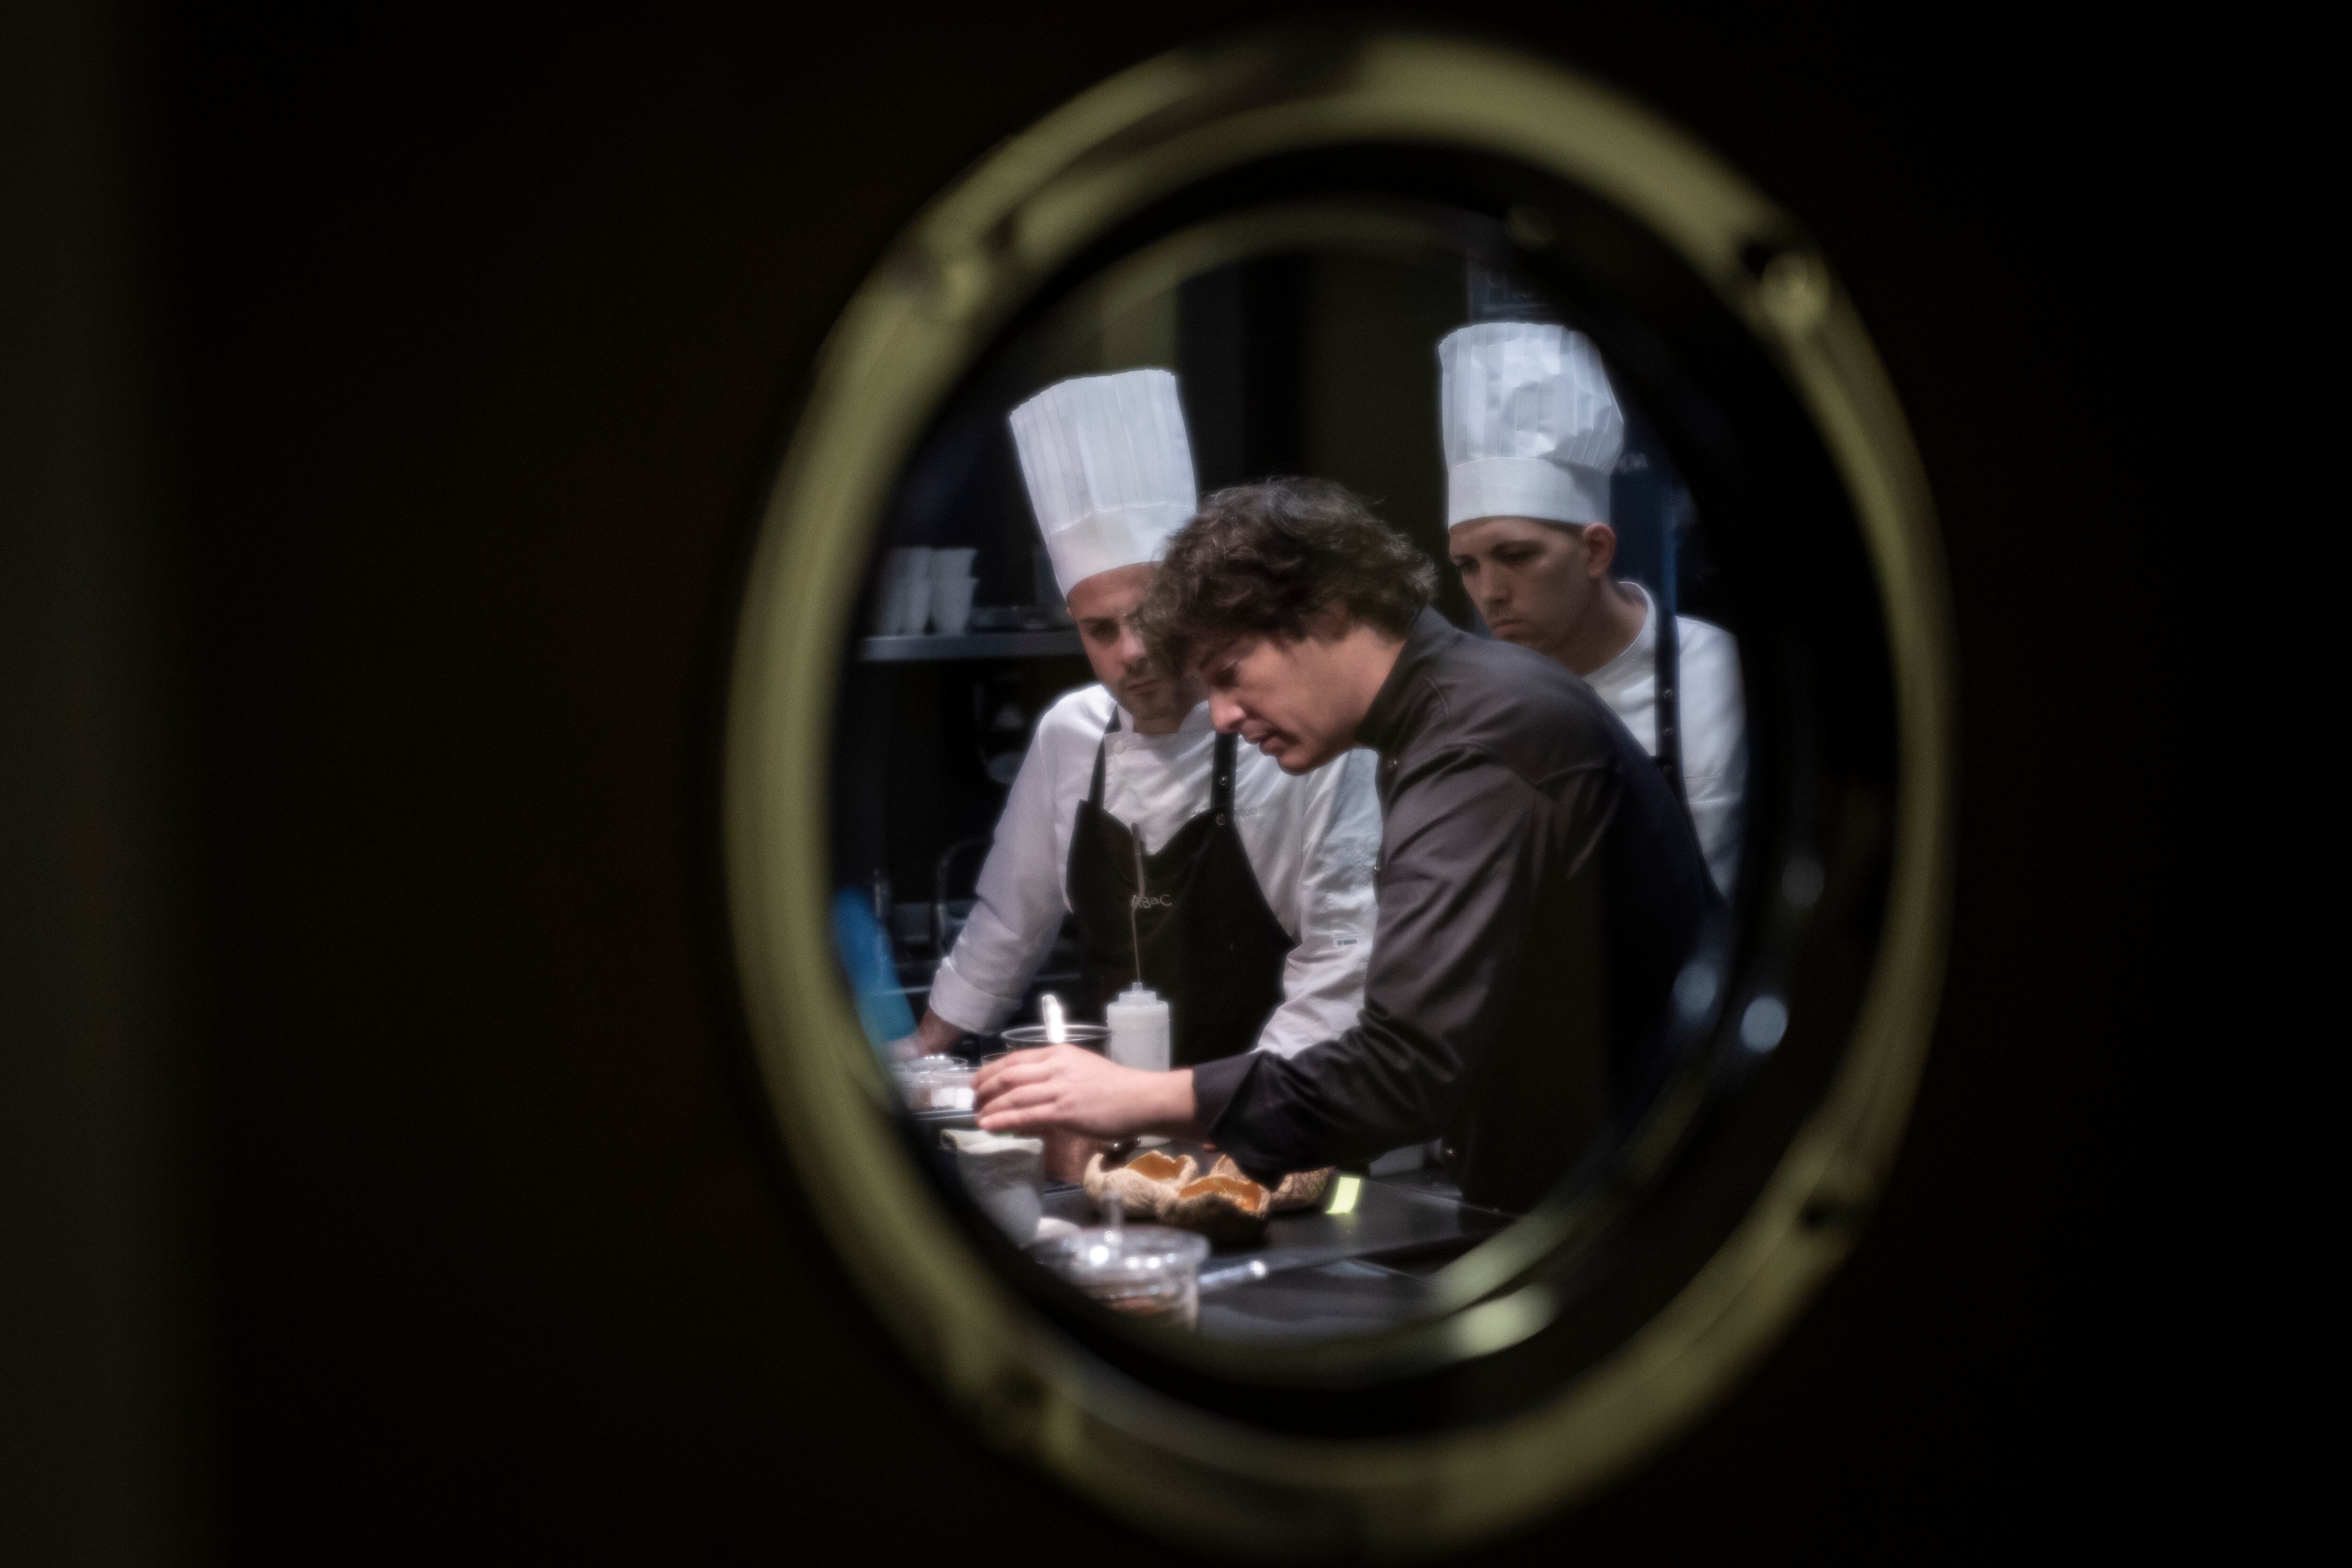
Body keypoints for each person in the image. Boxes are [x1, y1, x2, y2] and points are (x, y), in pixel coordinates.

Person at [974, 478, 1715, 1212]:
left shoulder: (1478, 739)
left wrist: (1141, 1096)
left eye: (1231, 675)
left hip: (1646, 1209)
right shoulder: (1447, 714)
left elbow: (1403, 1072)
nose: (1226, 716)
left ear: (1328, 611)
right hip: (1576, 1191)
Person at [903, 370, 1382, 1093]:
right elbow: (1010, 918)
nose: (1131, 651)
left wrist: (1234, 1117)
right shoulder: (1070, 734)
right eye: (1100, 629)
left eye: (1153, 612)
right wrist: (924, 1051)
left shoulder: (1298, 732)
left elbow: (1342, 962)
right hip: (1117, 1125)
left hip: (1280, 1112)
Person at [1438, 321, 1747, 896]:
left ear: (1595, 550)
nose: (1488, 593)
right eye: (1468, 565)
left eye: (1514, 556)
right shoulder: (1472, 706)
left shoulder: (1716, 673)